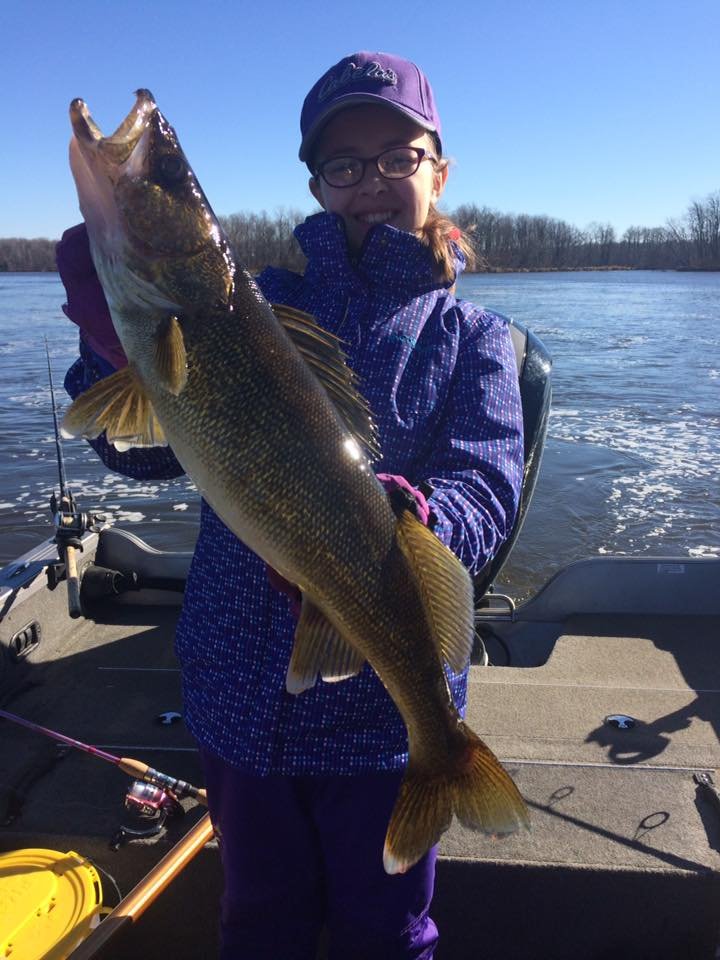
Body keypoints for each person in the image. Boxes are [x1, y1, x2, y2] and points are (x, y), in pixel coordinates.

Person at [58, 51, 524, 960]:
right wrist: (113, 353)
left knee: (385, 930)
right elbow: (133, 453)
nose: (372, 183)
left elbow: (488, 488)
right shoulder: (255, 304)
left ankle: (449, 762)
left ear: (439, 167)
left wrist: (417, 520)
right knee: (257, 919)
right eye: (344, 165)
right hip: (240, 699)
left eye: (398, 156)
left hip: (386, 731)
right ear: (314, 181)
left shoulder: (478, 341)